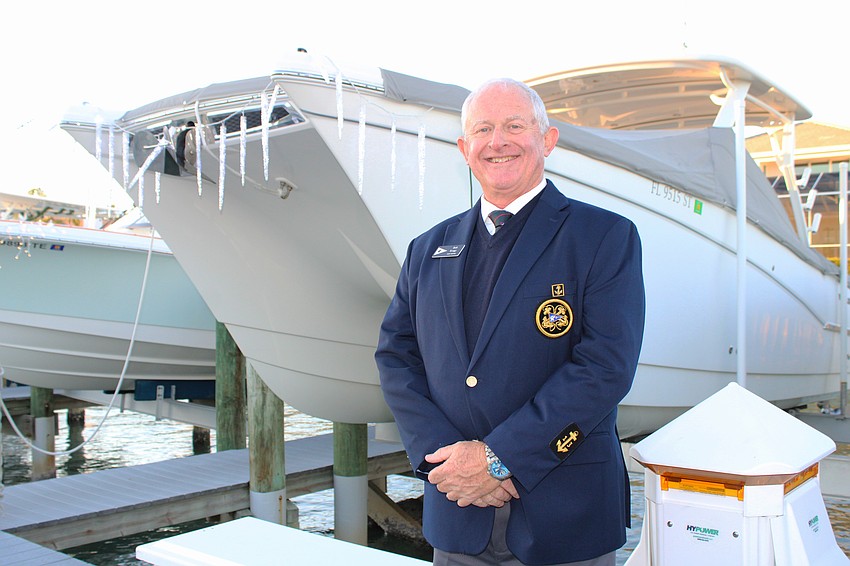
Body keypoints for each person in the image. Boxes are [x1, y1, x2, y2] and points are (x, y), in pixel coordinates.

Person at [375, 78, 645, 566]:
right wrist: (449, 463)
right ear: (464, 148)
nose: (497, 141)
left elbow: (605, 367)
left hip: (564, 516)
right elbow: (397, 358)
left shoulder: (604, 236)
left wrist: (500, 460)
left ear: (547, 140)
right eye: (483, 129)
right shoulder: (426, 249)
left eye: (514, 126)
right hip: (458, 513)